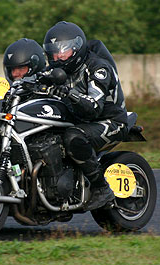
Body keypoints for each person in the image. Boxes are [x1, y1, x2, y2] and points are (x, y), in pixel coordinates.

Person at [43, 21, 129, 211]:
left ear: (76, 48)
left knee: (73, 137)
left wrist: (67, 93)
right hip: (79, 120)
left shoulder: (98, 68)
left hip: (109, 121)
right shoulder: (55, 71)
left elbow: (94, 107)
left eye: (62, 51)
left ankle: (101, 187)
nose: (57, 57)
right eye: (53, 52)